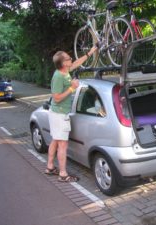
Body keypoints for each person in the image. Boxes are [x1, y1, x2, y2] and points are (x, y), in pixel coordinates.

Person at [45, 46, 97, 182]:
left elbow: (77, 63)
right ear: (63, 63)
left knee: (55, 141)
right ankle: (63, 174)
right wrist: (72, 88)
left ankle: (50, 167)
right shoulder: (58, 77)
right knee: (62, 144)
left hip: (57, 114)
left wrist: (90, 52)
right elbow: (56, 97)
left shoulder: (65, 71)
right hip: (59, 115)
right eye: (68, 59)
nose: (71, 59)